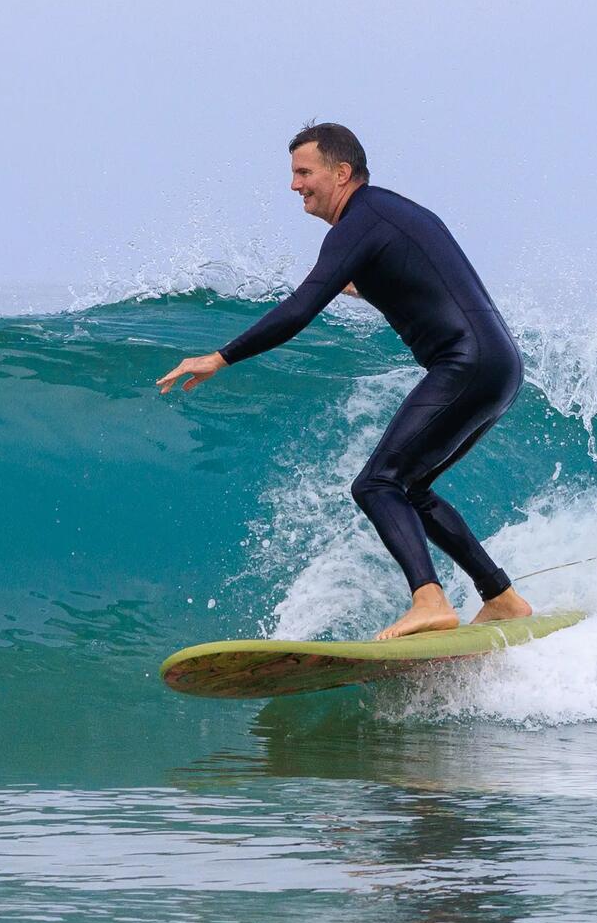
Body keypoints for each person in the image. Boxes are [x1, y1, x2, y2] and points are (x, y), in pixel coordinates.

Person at [156, 122, 532, 640]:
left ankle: (429, 600)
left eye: (304, 172)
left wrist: (221, 357)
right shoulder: (390, 212)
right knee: (411, 486)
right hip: (499, 365)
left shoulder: (358, 222)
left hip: (465, 364)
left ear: (341, 172)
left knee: (376, 484)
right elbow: (428, 280)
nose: (295, 185)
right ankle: (502, 598)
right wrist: (371, 285)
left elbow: (298, 310)